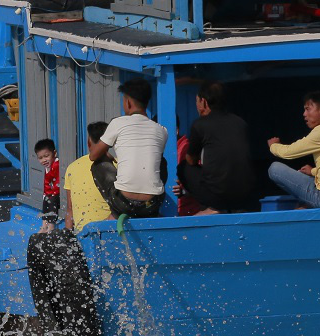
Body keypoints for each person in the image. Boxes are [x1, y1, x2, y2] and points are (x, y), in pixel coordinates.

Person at [90, 78, 168, 218]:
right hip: (152, 203)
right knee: (161, 161)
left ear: (128, 102)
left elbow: (93, 155)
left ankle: (115, 213)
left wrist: (106, 154)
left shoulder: (118, 123)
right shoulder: (161, 130)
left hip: (123, 202)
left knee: (98, 164)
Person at [174, 81, 255, 214]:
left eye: (197, 101)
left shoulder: (200, 125)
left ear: (204, 102)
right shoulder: (240, 123)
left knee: (183, 167)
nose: (196, 105)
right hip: (245, 196)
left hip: (217, 198)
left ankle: (210, 208)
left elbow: (190, 161)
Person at [62, 123, 114, 231]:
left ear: (89, 142)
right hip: (109, 231)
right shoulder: (118, 166)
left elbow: (70, 210)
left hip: (83, 234)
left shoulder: (72, 167)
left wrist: (67, 237)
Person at [34, 137, 61, 229]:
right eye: (40, 158)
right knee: (46, 199)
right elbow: (46, 184)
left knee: (52, 200)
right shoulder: (47, 168)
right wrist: (46, 194)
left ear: (55, 153)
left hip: (59, 193)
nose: (44, 160)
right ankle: (44, 225)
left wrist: (50, 194)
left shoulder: (57, 165)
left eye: (46, 156)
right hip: (52, 193)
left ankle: (51, 226)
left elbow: (58, 183)